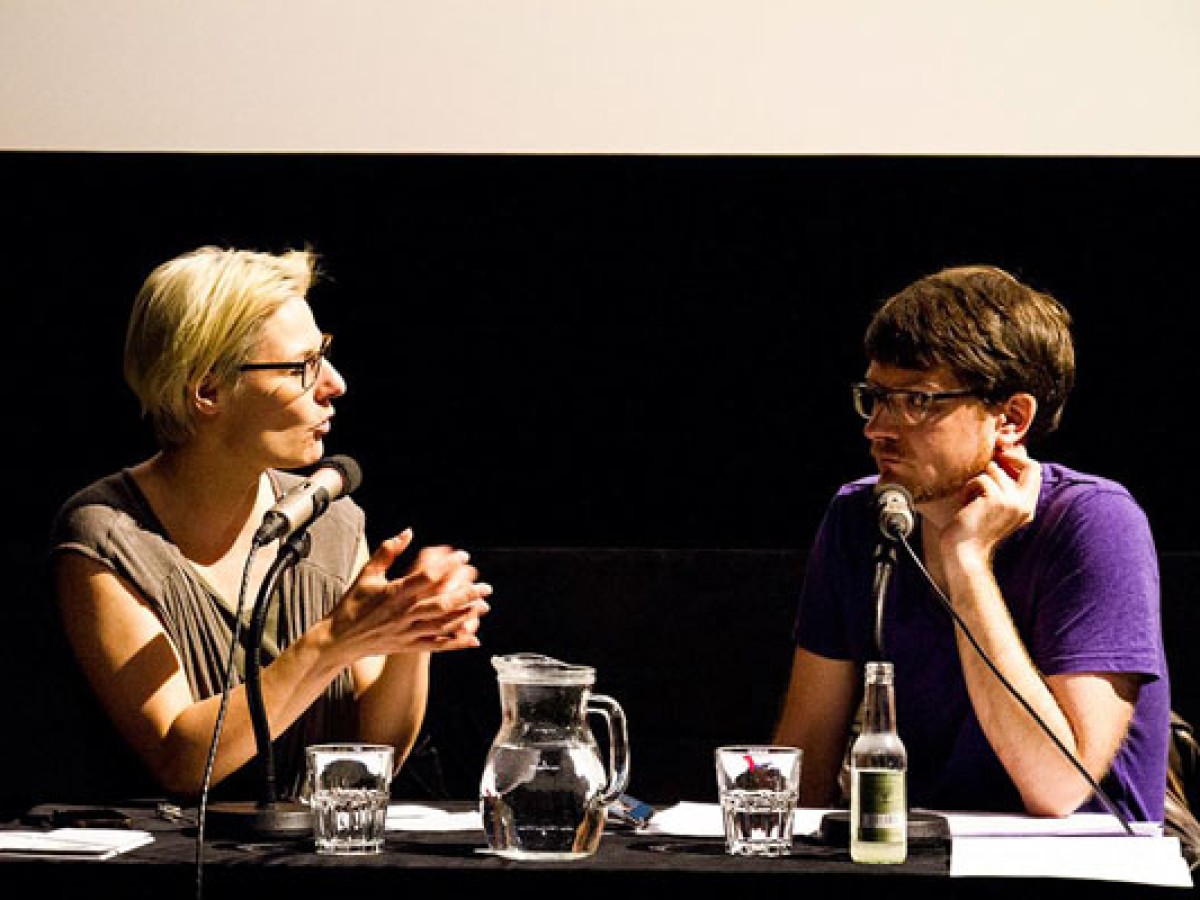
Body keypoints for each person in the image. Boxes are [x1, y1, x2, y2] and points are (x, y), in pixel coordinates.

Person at [44, 245, 492, 804]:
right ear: (207, 391)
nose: (335, 383)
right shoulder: (107, 537)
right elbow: (181, 760)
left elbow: (371, 755)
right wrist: (331, 643)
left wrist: (410, 631)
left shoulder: (329, 519)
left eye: (324, 354)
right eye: (302, 366)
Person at [772, 264, 1170, 824]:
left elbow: (1057, 787)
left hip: (1077, 866)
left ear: (1010, 417)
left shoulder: (1094, 522)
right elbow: (807, 763)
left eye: (918, 401)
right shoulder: (857, 519)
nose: (878, 429)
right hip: (915, 859)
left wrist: (968, 560)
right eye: (876, 397)